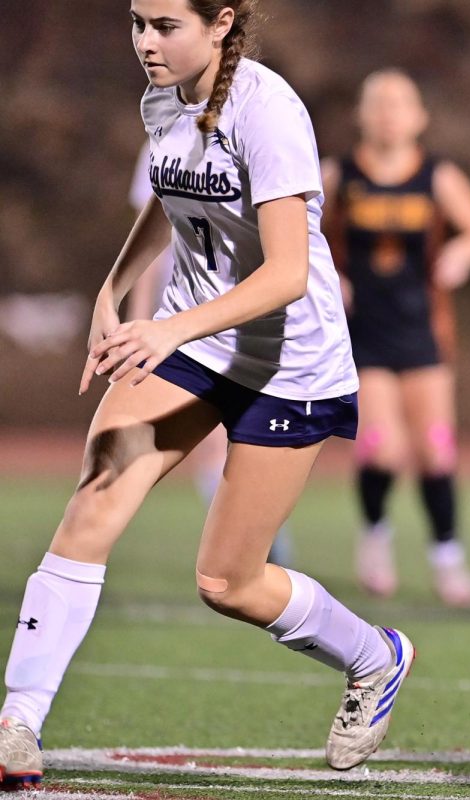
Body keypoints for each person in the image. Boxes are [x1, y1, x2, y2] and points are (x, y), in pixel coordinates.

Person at [0, 0, 414, 788]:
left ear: (221, 23)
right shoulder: (163, 94)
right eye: (136, 23)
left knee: (228, 583)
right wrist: (115, 286)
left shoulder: (269, 111)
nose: (145, 43)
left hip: (289, 362)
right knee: (96, 493)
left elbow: (288, 272)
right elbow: (169, 192)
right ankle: (18, 721)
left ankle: (375, 655)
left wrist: (170, 328)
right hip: (192, 342)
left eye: (165, 26)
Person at [322, 69, 470, 606]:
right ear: (361, 114)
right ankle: (375, 538)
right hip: (363, 333)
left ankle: (448, 559)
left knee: (436, 450)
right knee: (382, 448)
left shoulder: (437, 175)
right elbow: (299, 235)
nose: (387, 114)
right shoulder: (339, 174)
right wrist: (333, 277)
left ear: (419, 116)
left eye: (399, 104)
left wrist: (460, 254)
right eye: (377, 103)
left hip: (423, 329)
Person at [126, 140, 295, 567]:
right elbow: (147, 245)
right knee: (210, 438)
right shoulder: (161, 145)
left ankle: (256, 535)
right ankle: (250, 546)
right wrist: (136, 317)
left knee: (257, 432)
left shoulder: (259, 137)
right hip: (179, 319)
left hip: (244, 312)